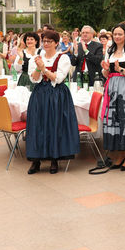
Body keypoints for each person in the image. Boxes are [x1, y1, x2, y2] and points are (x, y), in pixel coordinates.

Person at [25, 30, 80, 175]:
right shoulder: (36, 58)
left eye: (50, 41)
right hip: (40, 94)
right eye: (44, 41)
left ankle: (54, 159)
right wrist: (38, 67)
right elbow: (34, 79)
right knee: (38, 124)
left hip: (57, 95)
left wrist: (44, 68)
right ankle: (35, 160)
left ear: (56, 43)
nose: (46, 44)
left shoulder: (63, 58)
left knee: (54, 124)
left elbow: (58, 78)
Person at [100, 23, 125, 171]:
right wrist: (105, 69)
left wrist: (121, 69)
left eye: (120, 34)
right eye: (115, 34)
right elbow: (106, 74)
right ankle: (120, 154)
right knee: (114, 121)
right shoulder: (109, 52)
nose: (117, 37)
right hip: (112, 88)